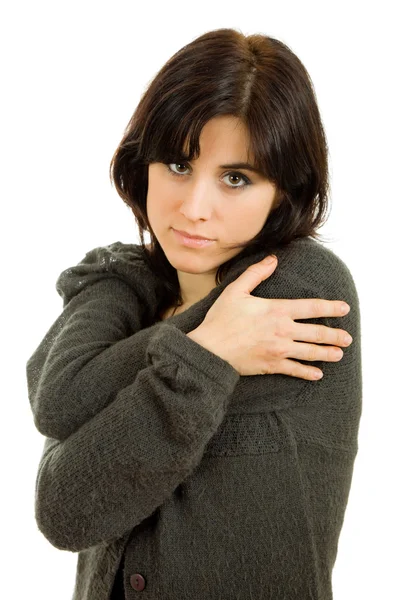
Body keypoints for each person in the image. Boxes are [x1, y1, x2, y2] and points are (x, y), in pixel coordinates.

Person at [26, 28, 362, 600]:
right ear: (144, 165)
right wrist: (205, 345)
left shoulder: (298, 290)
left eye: (237, 178)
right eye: (179, 166)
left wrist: (194, 357)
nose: (194, 208)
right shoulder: (126, 287)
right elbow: (61, 407)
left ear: (283, 192)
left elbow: (68, 503)